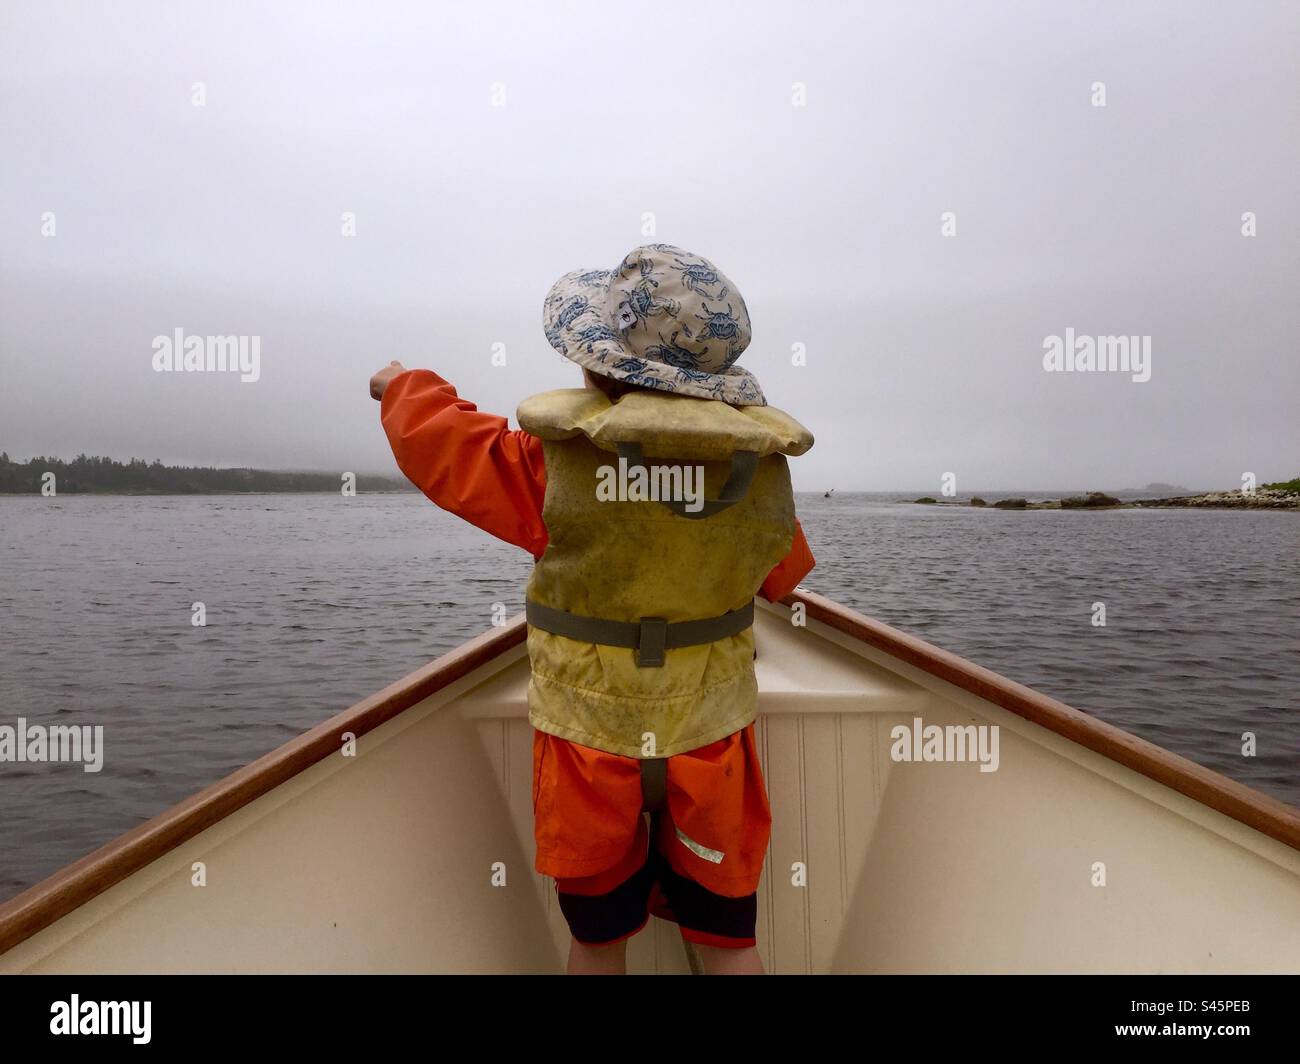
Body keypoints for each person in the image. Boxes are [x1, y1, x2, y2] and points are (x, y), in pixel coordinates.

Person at [370, 243, 814, 975]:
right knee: (727, 940)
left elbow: (445, 447)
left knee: (596, 940)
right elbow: (782, 577)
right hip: (710, 741)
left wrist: (400, 385)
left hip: (588, 741)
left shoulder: (551, 467)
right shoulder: (757, 470)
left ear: (595, 366)